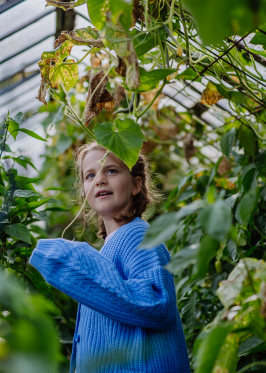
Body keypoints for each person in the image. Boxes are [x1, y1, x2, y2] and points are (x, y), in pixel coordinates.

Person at [29, 142, 191, 373]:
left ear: (136, 184)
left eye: (111, 170)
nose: (100, 180)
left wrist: (74, 258)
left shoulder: (138, 235)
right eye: (90, 175)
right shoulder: (112, 246)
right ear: (84, 190)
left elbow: (157, 303)